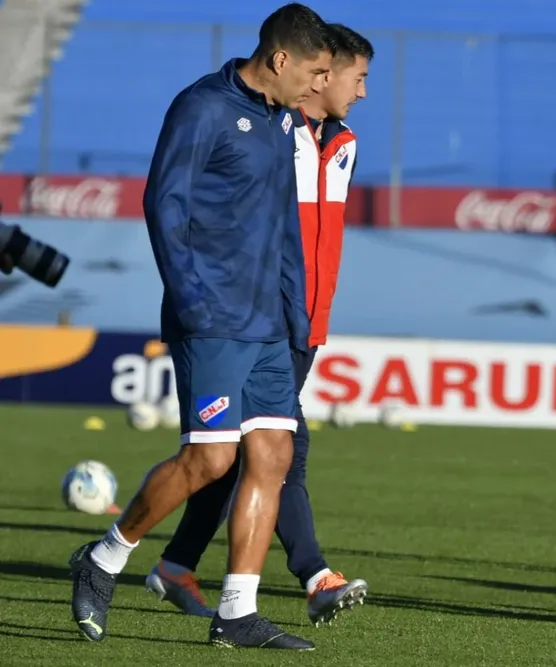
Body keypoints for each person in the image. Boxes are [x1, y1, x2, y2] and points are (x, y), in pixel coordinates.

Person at [68, 3, 333, 650]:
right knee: (210, 458)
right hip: (211, 318)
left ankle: (236, 611)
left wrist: (294, 309)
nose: (319, 85)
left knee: (271, 455)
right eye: (316, 71)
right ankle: (104, 556)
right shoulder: (203, 107)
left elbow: (281, 226)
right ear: (279, 60)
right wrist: (191, 299)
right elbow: (164, 203)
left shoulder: (282, 123)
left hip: (269, 322)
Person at [143, 23, 374, 628]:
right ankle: (314, 574)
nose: (357, 90)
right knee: (269, 451)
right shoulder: (269, 125)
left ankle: (175, 566)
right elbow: (180, 207)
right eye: (353, 77)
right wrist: (201, 299)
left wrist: (307, 313)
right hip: (246, 313)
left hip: (299, 318)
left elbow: (309, 240)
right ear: (311, 71)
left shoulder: (344, 142)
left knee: (248, 454)